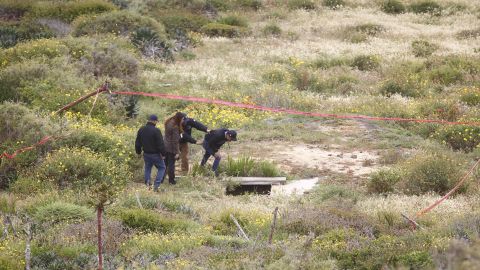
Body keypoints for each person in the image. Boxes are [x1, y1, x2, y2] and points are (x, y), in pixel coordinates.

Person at [135, 114, 166, 192]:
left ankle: (148, 185)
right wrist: (164, 154)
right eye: (156, 121)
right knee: (162, 168)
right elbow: (160, 144)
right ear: (154, 121)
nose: (156, 123)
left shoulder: (141, 129)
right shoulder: (156, 131)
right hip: (155, 154)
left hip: (146, 154)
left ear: (148, 120)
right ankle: (156, 186)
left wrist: (138, 152)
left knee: (148, 168)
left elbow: (137, 143)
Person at [163, 112, 184, 185]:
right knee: (171, 165)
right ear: (179, 118)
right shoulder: (175, 127)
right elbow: (175, 141)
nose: (183, 121)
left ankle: (161, 179)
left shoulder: (168, 122)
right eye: (182, 119)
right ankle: (171, 180)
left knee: (165, 164)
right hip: (171, 148)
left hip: (165, 146)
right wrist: (177, 152)